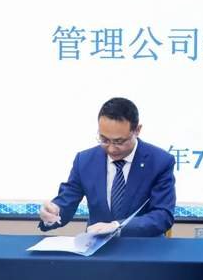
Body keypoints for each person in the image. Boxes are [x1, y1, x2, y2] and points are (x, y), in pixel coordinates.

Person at [38, 97, 175, 237]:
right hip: (96, 245)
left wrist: (117, 226)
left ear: (137, 130)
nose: (111, 149)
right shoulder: (85, 160)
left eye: (119, 141)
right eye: (104, 140)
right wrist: (53, 212)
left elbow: (162, 215)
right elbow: (67, 200)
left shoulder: (160, 162)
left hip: (143, 245)